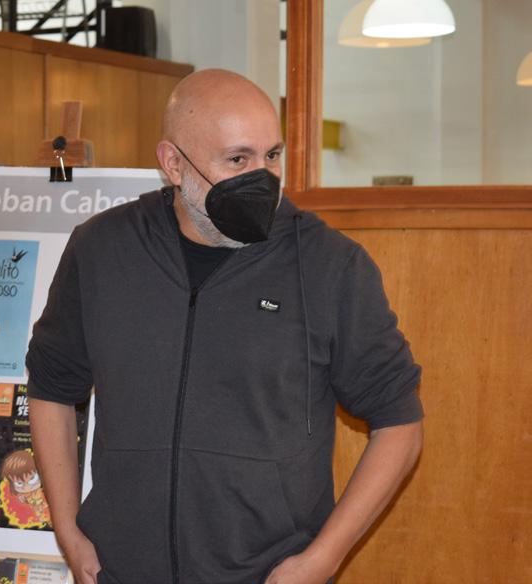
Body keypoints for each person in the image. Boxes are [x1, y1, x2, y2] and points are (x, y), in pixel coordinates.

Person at [26, 69, 423, 584]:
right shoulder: (101, 249)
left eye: (272, 155)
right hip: (122, 570)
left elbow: (399, 423)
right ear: (173, 163)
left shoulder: (330, 266)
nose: (262, 178)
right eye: (238, 160)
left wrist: (322, 559)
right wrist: (68, 531)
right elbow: (52, 388)